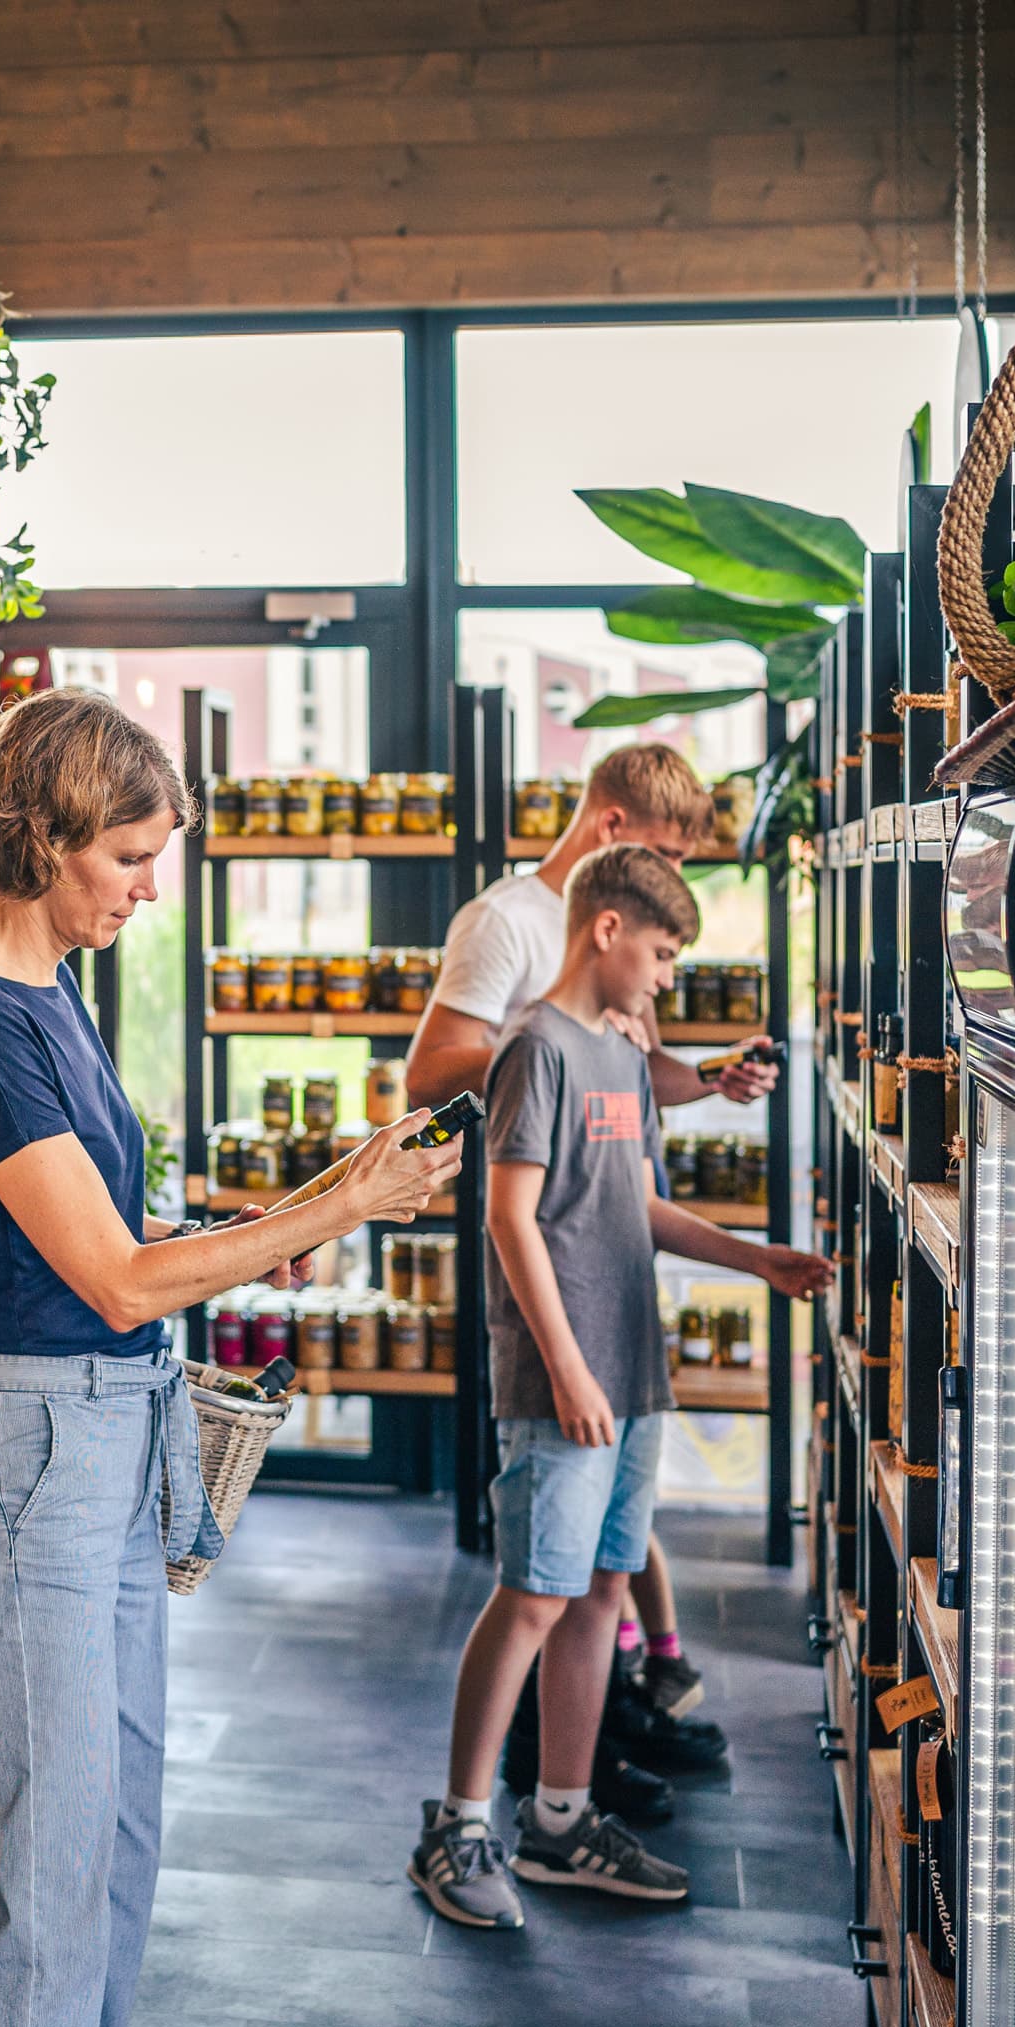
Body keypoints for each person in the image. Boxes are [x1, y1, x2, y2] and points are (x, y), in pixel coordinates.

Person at [0, 690, 464, 2027]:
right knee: (49, 1866)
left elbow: (115, 1236)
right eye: (129, 857)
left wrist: (311, 1202)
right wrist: (334, 1211)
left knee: (117, 1832)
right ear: (44, 838)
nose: (150, 888)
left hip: (106, 1434)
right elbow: (115, 1281)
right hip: (30, 1454)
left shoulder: (54, 991)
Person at [411, 845, 832, 1931]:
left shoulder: (620, 1053)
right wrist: (564, 1366)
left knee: (602, 1589)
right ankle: (456, 1828)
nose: (664, 977)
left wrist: (756, 1259)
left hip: (631, 1366)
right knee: (532, 1595)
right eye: (659, 953)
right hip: (565, 1374)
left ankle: (559, 1820)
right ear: (606, 930)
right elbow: (510, 1217)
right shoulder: (534, 1049)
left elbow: (636, 1205)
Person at [406, 741, 772, 1767]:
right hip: (544, 1257)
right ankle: (530, 1777)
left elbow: (628, 1081)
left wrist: (704, 1076)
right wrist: (558, 1047)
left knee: (600, 1557)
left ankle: (598, 1742)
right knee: (545, 1575)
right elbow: (428, 1076)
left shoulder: (621, 959)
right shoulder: (507, 922)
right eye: (664, 855)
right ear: (612, 830)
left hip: (609, 1272)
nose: (671, 881)